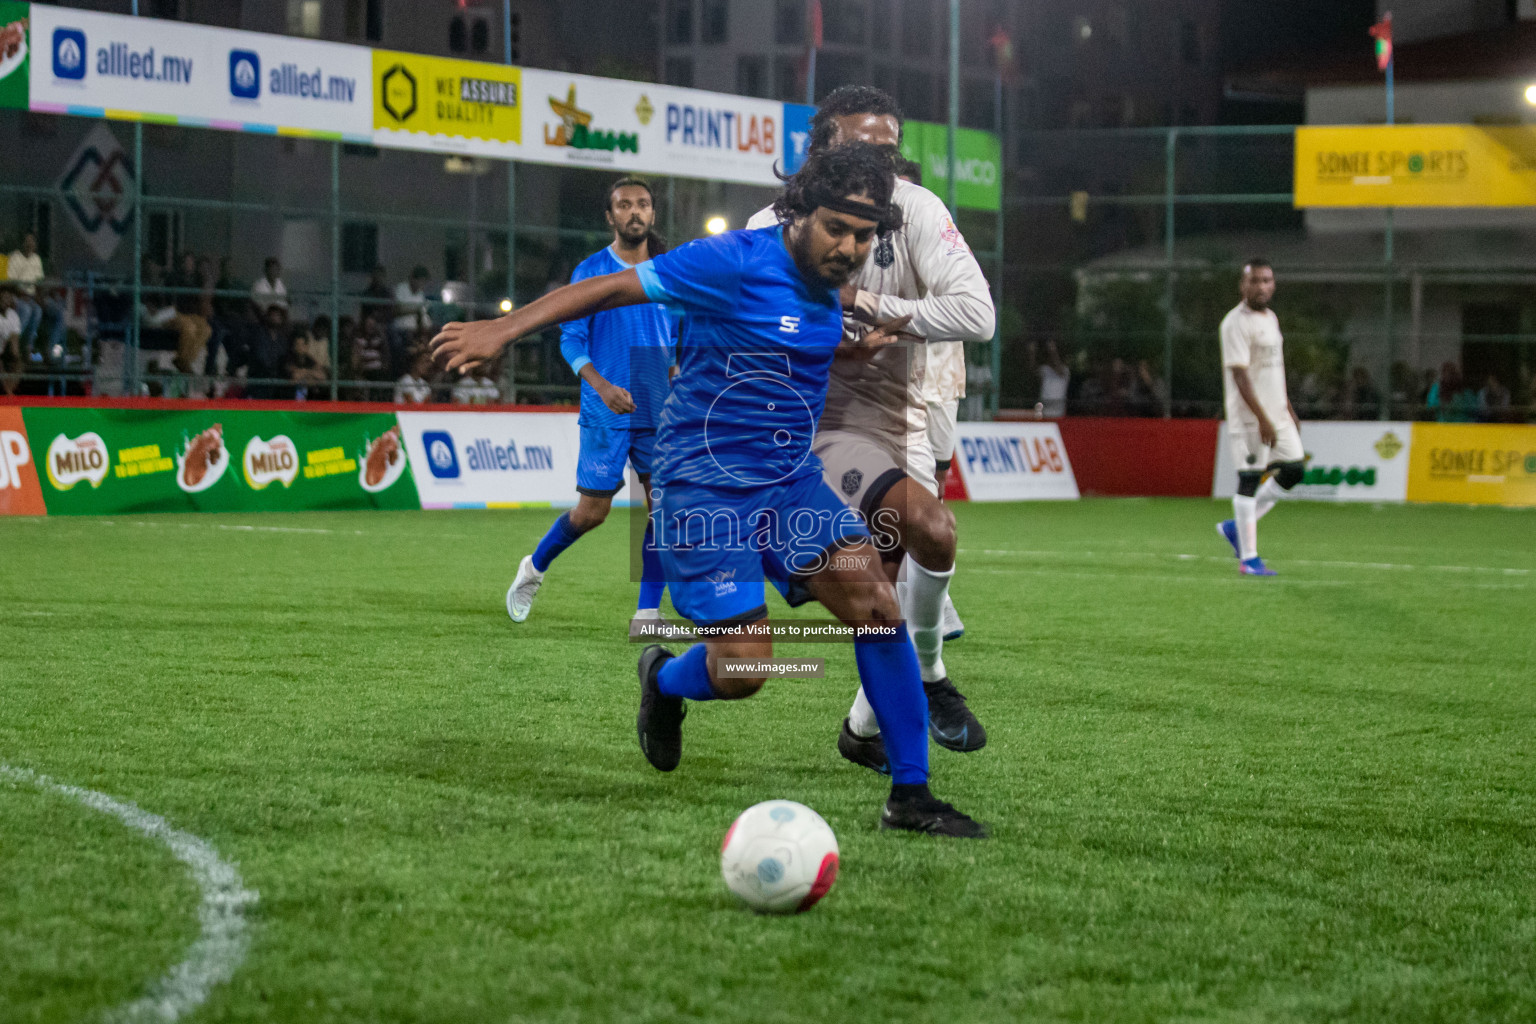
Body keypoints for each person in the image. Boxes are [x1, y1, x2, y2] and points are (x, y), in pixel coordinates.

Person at [432, 143, 987, 838]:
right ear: (800, 213)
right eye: (837, 230)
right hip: (705, 494)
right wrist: (502, 329)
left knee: (877, 603)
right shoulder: (732, 262)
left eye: (864, 235)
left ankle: (910, 794)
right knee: (747, 670)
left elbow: (792, 341)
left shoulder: (829, 286)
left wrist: (851, 348)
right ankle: (661, 681)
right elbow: (609, 289)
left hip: (790, 487)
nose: (850, 247)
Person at [744, 85, 995, 770]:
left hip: (903, 419)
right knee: (927, 538)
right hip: (810, 429)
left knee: (884, 591)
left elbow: (978, 315)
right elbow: (746, 333)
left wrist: (876, 306)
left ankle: (866, 729)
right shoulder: (770, 224)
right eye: (861, 146)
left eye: (888, 150)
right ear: (821, 145)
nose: (878, 162)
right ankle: (931, 683)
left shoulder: (915, 209)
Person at [504, 177, 678, 627]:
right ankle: (533, 568)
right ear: (610, 216)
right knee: (591, 513)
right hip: (607, 411)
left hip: (660, 411)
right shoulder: (590, 271)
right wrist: (601, 386)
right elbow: (571, 340)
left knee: (662, 512)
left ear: (652, 214)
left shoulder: (668, 271)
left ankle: (647, 613)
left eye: (642, 204)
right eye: (624, 205)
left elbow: (679, 337)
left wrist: (680, 371)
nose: (634, 212)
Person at [1215, 260, 1304, 577]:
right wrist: (1262, 418)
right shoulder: (1234, 323)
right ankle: (1249, 560)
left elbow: (1273, 370)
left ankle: (1235, 529)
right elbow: (1240, 375)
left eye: (1267, 280)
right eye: (1255, 281)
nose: (1261, 286)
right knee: (1249, 480)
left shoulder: (1271, 318)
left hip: (1277, 413)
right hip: (1251, 419)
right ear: (1243, 285)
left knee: (1294, 470)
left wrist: (1287, 408)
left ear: (1273, 284)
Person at [7, 233, 64, 361]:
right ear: (22, 243)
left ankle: (49, 351)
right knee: (32, 310)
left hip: (34, 297)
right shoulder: (14, 257)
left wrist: (45, 296)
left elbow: (38, 283)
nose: (29, 244)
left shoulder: (36, 259)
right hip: (19, 296)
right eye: (27, 241)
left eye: (32, 241)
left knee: (59, 311)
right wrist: (28, 296)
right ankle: (16, 348)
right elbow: (12, 285)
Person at [165, 252, 213, 374]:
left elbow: (203, 297)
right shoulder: (174, 277)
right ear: (181, 264)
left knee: (206, 329)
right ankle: (183, 362)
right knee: (189, 328)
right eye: (186, 262)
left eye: (191, 262)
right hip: (175, 313)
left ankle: (183, 360)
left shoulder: (197, 278)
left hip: (192, 315)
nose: (189, 264)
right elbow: (170, 299)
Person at [392, 265, 433, 365]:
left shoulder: (420, 294)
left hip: (417, 331)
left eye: (423, 281)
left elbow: (422, 314)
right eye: (420, 280)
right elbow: (398, 310)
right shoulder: (401, 289)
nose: (421, 284)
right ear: (413, 278)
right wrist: (416, 310)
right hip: (401, 330)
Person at [350, 313, 392, 400]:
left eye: (372, 325)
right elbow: (355, 361)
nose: (370, 327)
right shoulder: (359, 340)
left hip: (378, 371)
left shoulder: (380, 340)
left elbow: (385, 357)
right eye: (368, 324)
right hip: (364, 371)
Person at [0, 286, 21, 395]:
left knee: (19, 363)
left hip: (6, 349)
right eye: (3, 298)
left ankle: (9, 391)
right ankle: (8, 392)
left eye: (8, 298)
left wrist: (15, 354)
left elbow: (15, 336)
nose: (5, 301)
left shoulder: (13, 315)